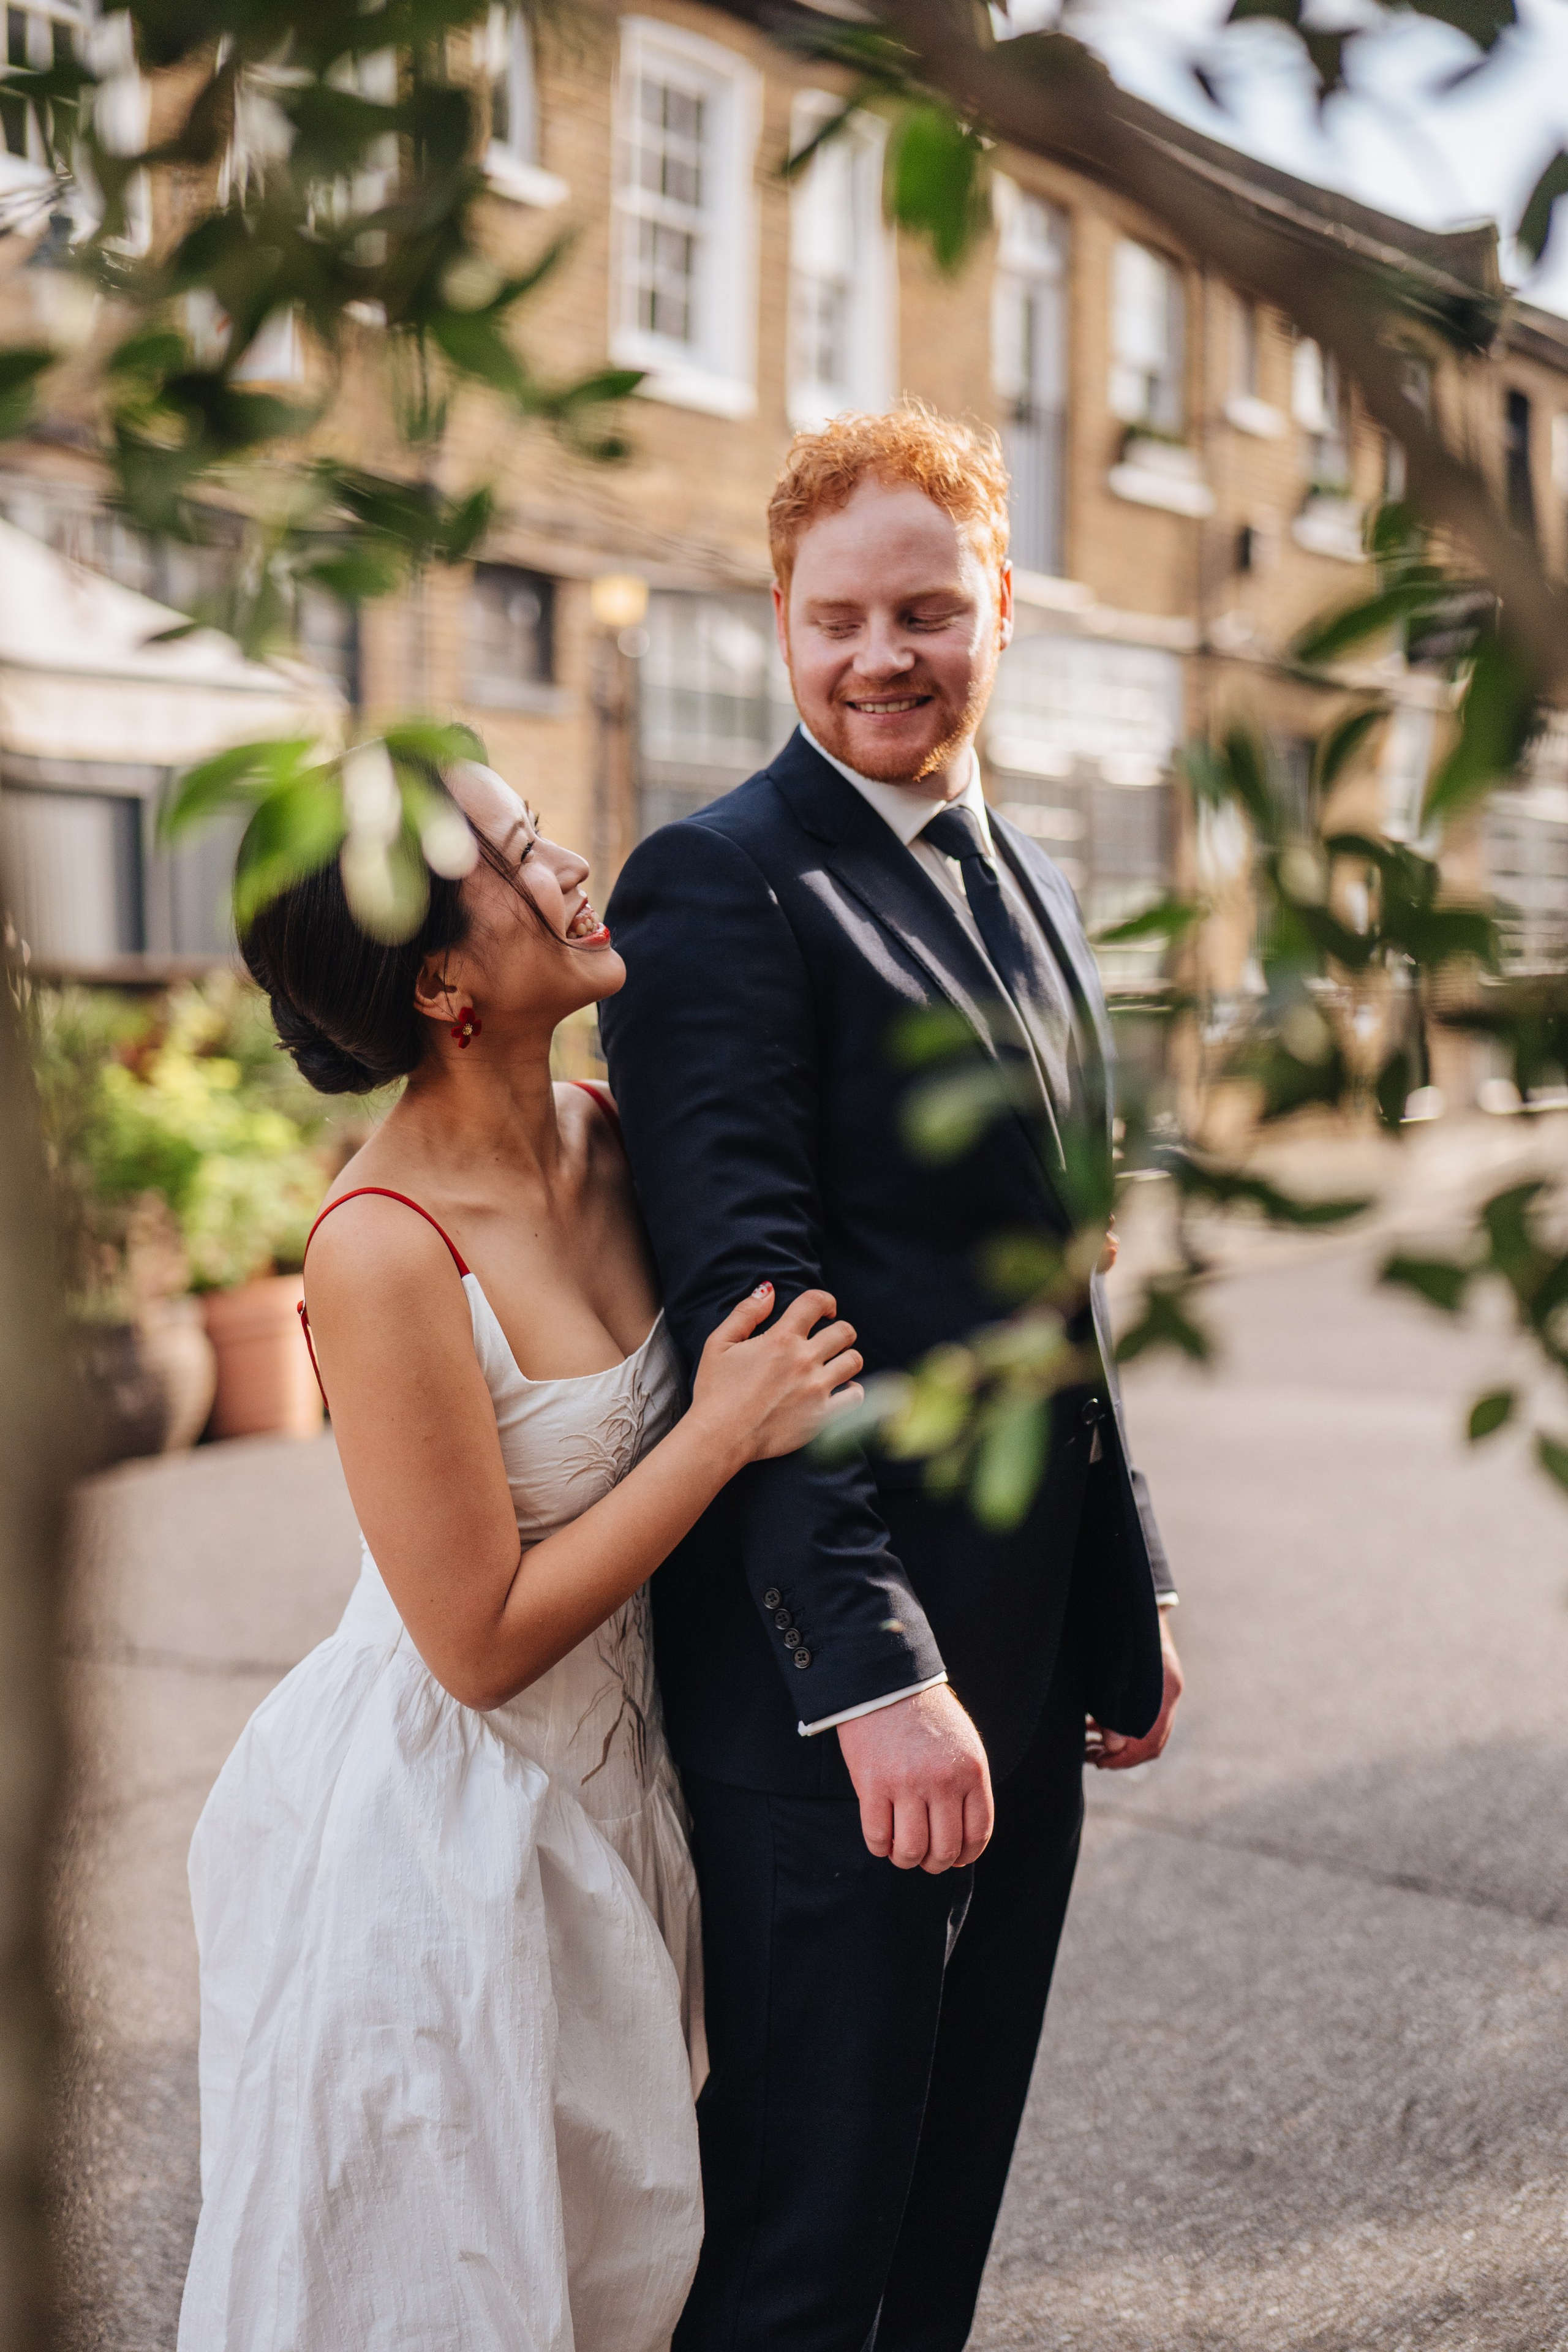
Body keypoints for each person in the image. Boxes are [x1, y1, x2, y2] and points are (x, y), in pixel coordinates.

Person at [600, 404, 1185, 2352]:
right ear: (781, 620)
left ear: (1001, 608)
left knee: (940, 2219)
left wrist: (1134, 1574)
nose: (881, 658)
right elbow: (747, 1308)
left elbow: (1058, 1288)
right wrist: (870, 1672)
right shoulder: (718, 883)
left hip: (1021, 1668)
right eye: (836, 617)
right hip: (843, 1701)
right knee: (806, 2246)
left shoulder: (1033, 883)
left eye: (926, 610)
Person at [176, 759, 864, 2352]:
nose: (565, 863)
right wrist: (713, 1432)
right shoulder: (382, 1246)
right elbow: (474, 1641)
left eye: (536, 823)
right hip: (443, 1848)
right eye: (509, 856)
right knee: (460, 2290)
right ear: (441, 984)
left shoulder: (617, 1133)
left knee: (627, 2274)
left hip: (635, 1797)